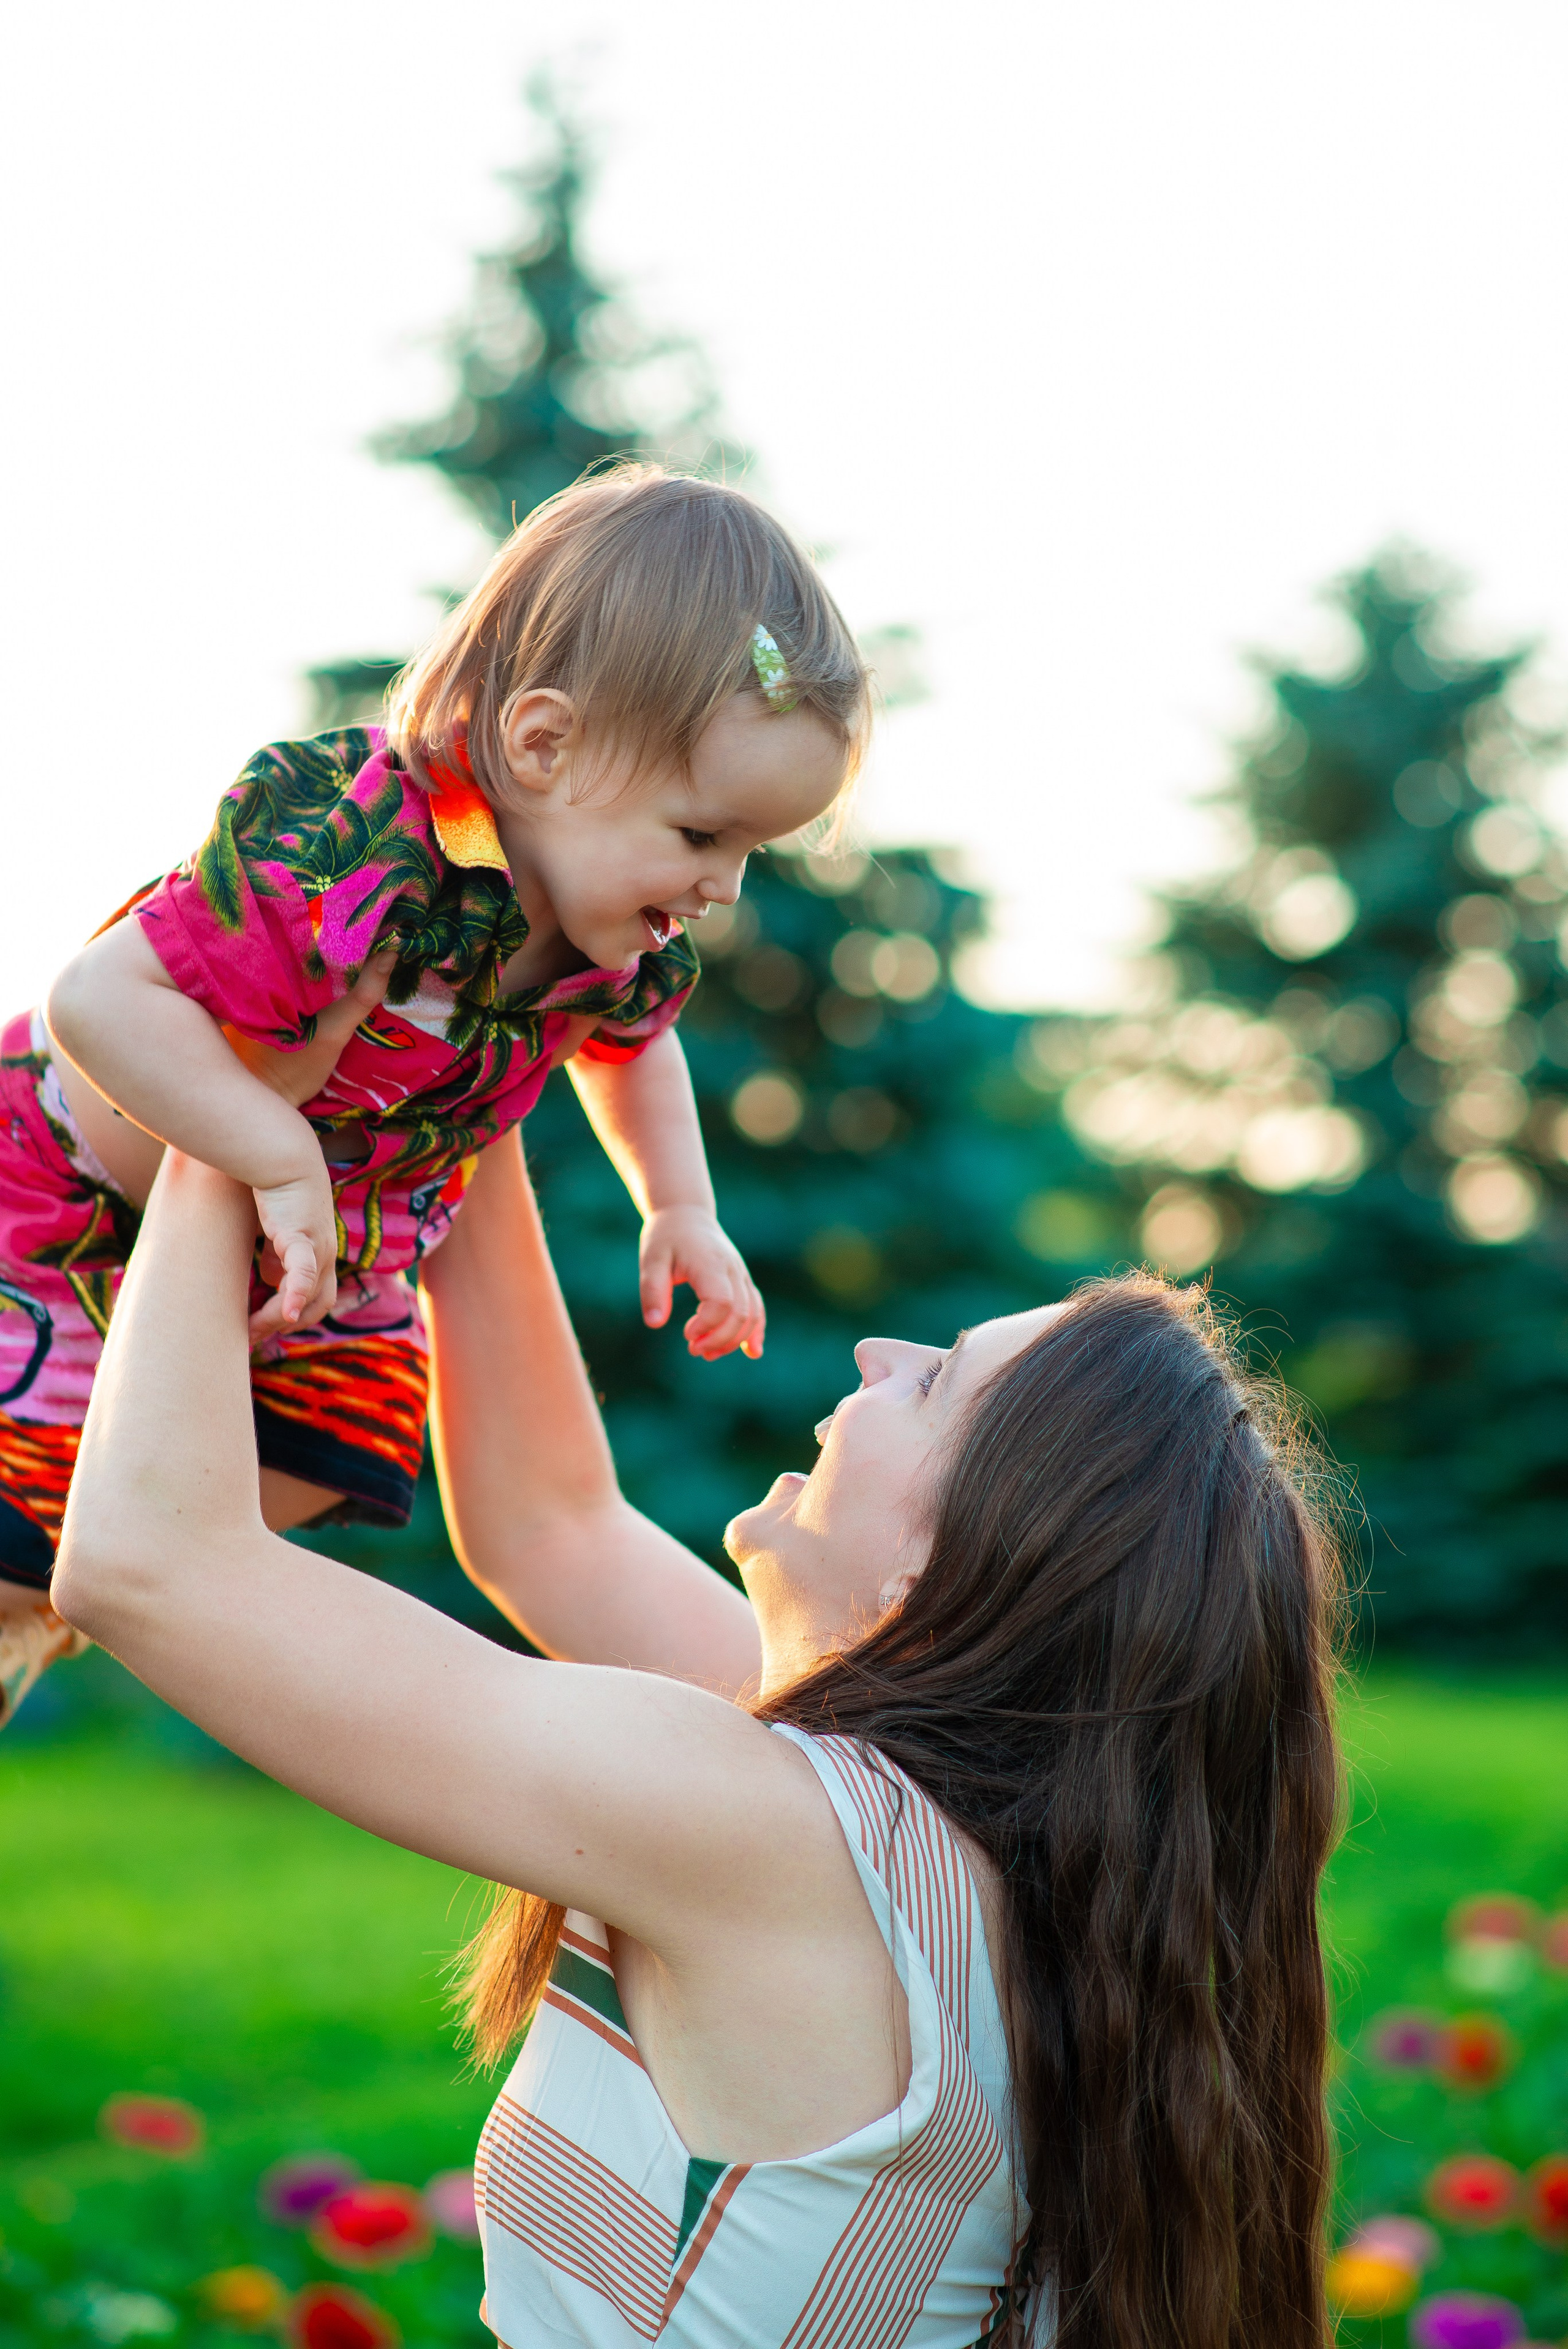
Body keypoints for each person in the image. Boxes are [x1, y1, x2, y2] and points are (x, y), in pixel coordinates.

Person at [52, 997, 1344, 2349]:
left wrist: (226, 1088)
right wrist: (471, 1037)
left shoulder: (782, 1834)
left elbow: (150, 1565)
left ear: (950, 1571)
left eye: (935, 1380)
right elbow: (550, 1525)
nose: (875, 1354)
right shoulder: (955, 1832)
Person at [0, 464, 867, 1725]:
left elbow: (633, 1048)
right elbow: (95, 1002)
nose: (723, 887)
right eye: (699, 835)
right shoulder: (353, 838)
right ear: (542, 741)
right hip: (67, 1195)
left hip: (325, 1252)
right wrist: (270, 1147)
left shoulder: (597, 937)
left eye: (748, 852)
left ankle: (50, 1599)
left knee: (343, 1439)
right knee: (45, 1497)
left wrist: (678, 1205)